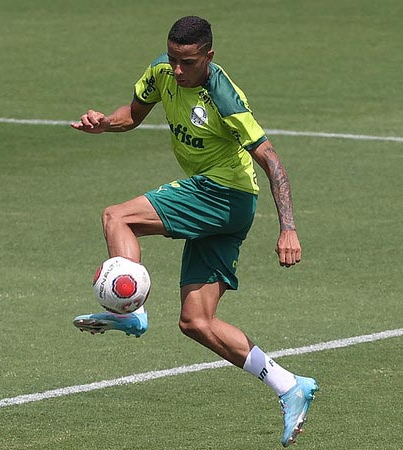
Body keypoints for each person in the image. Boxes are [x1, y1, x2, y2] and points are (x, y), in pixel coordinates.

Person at [70, 16, 318, 447]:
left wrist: (288, 229)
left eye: (187, 62)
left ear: (208, 57)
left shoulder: (224, 96)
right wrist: (105, 123)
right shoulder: (161, 74)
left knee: (117, 217)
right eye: (172, 59)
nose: (177, 70)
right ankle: (289, 386)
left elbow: (272, 160)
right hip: (222, 203)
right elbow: (132, 114)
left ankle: (131, 311)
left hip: (225, 193)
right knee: (196, 321)